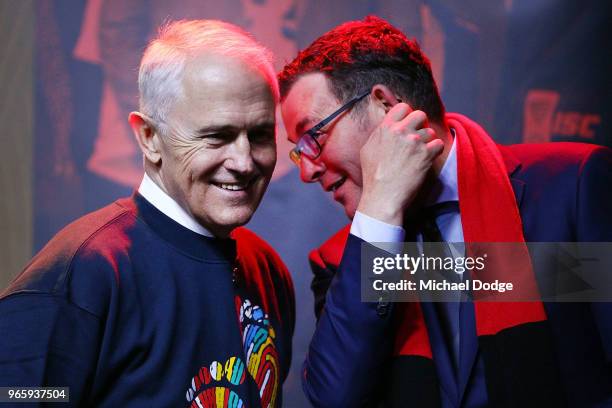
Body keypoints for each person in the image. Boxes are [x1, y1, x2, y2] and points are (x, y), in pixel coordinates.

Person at [278, 16, 612, 407]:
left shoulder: (567, 189)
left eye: (313, 136)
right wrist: (381, 210)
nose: (306, 169)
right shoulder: (341, 260)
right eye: (298, 150)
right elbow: (334, 398)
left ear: (386, 106)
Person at [0, 20, 294, 407]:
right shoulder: (84, 272)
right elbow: (19, 395)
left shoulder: (265, 267)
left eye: (259, 134)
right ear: (149, 138)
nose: (244, 161)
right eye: (216, 136)